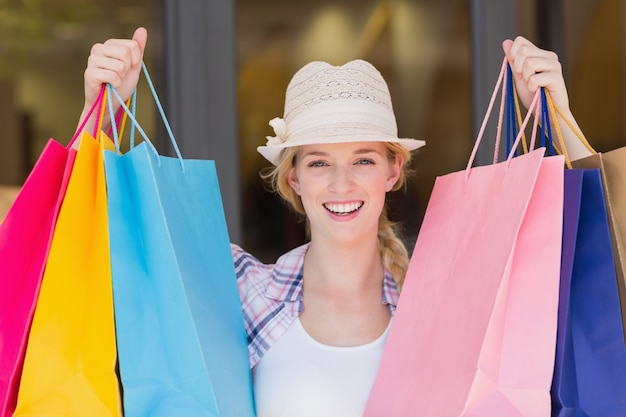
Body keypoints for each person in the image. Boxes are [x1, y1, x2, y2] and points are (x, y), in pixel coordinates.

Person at [80, 27, 591, 417]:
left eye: (364, 159)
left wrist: (558, 118)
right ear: (294, 178)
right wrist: (103, 114)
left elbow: (582, 262)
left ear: (393, 170)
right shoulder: (238, 292)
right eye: (319, 161)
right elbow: (110, 246)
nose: (342, 183)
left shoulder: (445, 306)